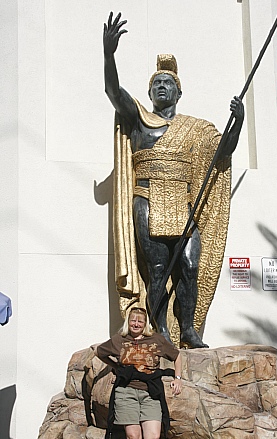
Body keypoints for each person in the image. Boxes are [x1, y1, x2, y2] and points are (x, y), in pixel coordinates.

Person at [104, 12, 244, 348]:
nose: (161, 87)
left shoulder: (195, 127)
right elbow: (112, 91)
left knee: (190, 265)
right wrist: (108, 55)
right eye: (156, 84)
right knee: (156, 268)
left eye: (167, 83)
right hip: (148, 198)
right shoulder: (139, 118)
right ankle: (161, 331)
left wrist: (237, 122)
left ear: (178, 93)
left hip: (181, 202)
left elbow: (223, 149)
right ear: (150, 92)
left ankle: (188, 330)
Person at [96, 307, 182, 439]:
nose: (136, 324)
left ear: (145, 324)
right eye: (133, 320)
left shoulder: (156, 340)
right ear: (128, 322)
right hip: (126, 392)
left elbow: (177, 356)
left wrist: (178, 378)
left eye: (140, 321)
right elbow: (99, 352)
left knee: (152, 436)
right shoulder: (119, 340)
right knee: (133, 438)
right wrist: (115, 367)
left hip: (150, 392)